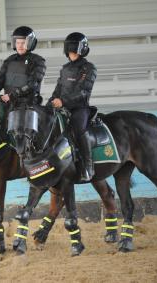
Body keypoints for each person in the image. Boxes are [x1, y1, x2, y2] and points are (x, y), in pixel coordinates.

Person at [48, 32, 97, 181]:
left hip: (80, 108)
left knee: (79, 128)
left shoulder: (89, 68)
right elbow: (57, 90)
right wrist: (50, 102)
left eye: (74, 50)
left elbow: (83, 91)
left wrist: (63, 102)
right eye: (69, 50)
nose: (72, 53)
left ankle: (88, 166)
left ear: (82, 50)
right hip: (61, 107)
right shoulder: (65, 69)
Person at [0, 26, 46, 127]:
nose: (20, 45)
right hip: (7, 102)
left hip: (27, 104)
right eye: (18, 42)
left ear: (30, 43)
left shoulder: (38, 61)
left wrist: (12, 95)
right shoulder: (9, 60)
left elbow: (33, 84)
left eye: (23, 43)